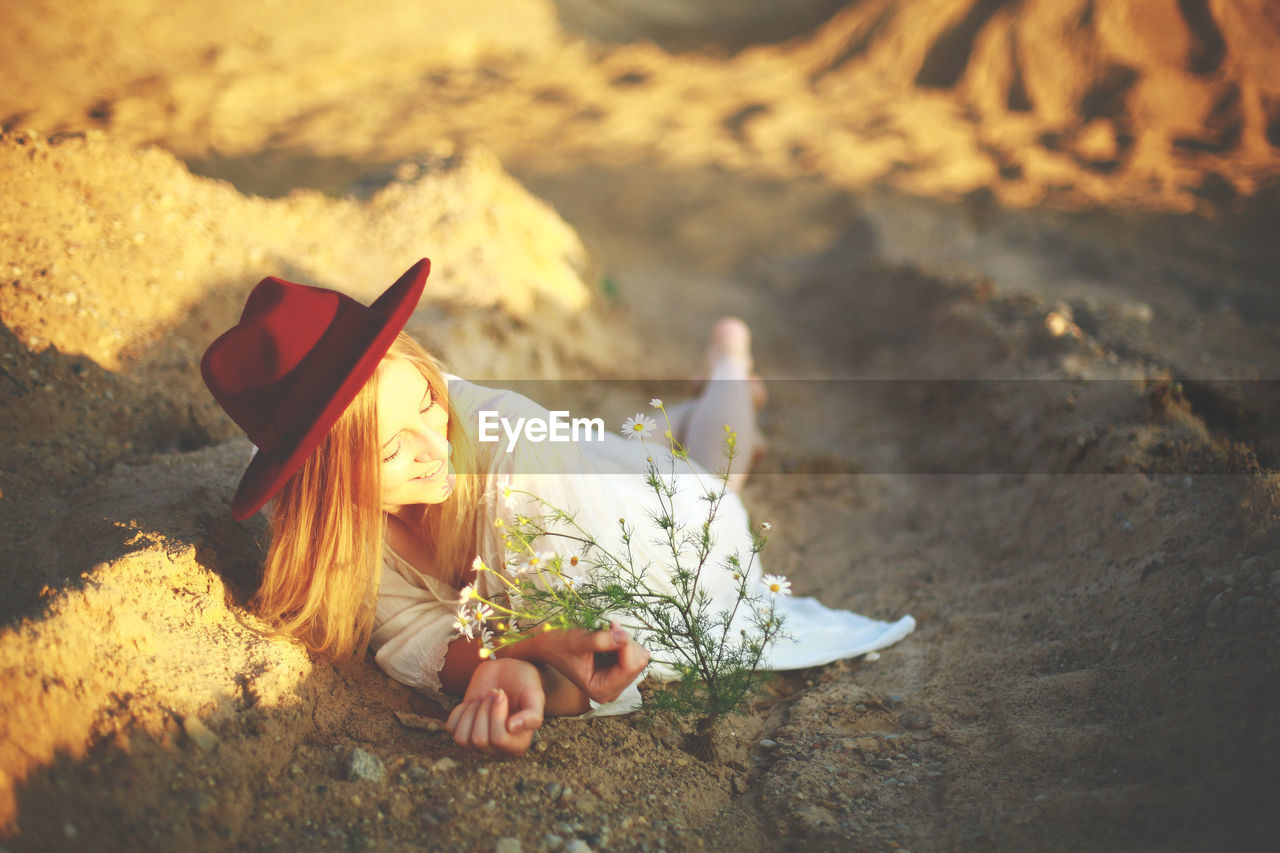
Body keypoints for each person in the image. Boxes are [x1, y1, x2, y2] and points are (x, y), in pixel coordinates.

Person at [202, 259, 914, 757]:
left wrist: (532, 666)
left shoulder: (508, 459)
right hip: (580, 474)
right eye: (391, 450)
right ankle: (688, 408)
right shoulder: (336, 535)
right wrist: (512, 656)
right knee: (634, 451)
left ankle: (730, 360)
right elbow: (415, 633)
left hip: (647, 534)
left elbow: (603, 659)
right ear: (324, 485)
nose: (433, 444)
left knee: (715, 483)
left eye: (425, 398)